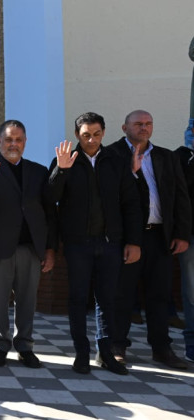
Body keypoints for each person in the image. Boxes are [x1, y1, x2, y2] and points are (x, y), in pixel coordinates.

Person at [48, 112, 142, 375]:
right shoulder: (67, 160)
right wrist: (61, 170)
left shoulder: (116, 161)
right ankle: (81, 352)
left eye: (97, 134)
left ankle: (106, 353)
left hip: (110, 243)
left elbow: (131, 204)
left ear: (104, 133)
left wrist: (133, 242)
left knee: (107, 300)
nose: (91, 139)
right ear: (77, 134)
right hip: (78, 245)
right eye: (86, 135)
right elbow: (50, 198)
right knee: (78, 299)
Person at [0, 120, 57, 369]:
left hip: (30, 248)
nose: (13, 144)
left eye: (18, 139)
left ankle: (25, 346)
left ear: (25, 142)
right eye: (8, 139)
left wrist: (50, 249)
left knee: (28, 301)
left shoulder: (38, 172)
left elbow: (49, 213)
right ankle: (0, 345)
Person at [107, 110, 191, 370]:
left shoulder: (166, 156)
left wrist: (181, 234)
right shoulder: (112, 155)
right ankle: (117, 346)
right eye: (138, 124)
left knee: (160, 294)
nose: (144, 128)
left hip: (160, 237)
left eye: (148, 124)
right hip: (129, 239)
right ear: (124, 127)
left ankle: (161, 348)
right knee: (122, 294)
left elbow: (180, 197)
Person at [176, 121, 194, 363]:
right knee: (192, 292)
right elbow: (179, 195)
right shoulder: (182, 158)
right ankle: (192, 342)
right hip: (190, 236)